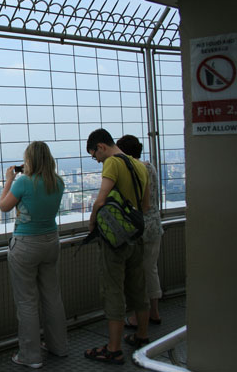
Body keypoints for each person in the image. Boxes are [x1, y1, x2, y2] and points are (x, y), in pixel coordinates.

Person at [83, 129, 151, 365]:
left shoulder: (112, 163)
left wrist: (92, 223)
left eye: (94, 155)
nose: (96, 160)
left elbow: (101, 199)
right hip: (136, 235)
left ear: (101, 146)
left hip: (115, 240)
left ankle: (113, 349)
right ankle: (142, 335)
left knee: (113, 290)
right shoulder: (139, 165)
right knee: (138, 286)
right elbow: (145, 205)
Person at [0, 141, 68, 369]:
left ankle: (30, 356)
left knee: (27, 301)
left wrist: (9, 180)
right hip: (51, 241)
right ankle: (58, 346)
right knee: (52, 296)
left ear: (29, 160)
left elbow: (3, 206)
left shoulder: (23, 182)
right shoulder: (58, 182)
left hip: (26, 244)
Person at [116, 135, 164, 327]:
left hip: (140, 228)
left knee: (138, 275)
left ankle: (139, 317)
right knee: (151, 269)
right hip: (155, 224)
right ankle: (155, 312)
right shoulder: (150, 167)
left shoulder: (133, 169)